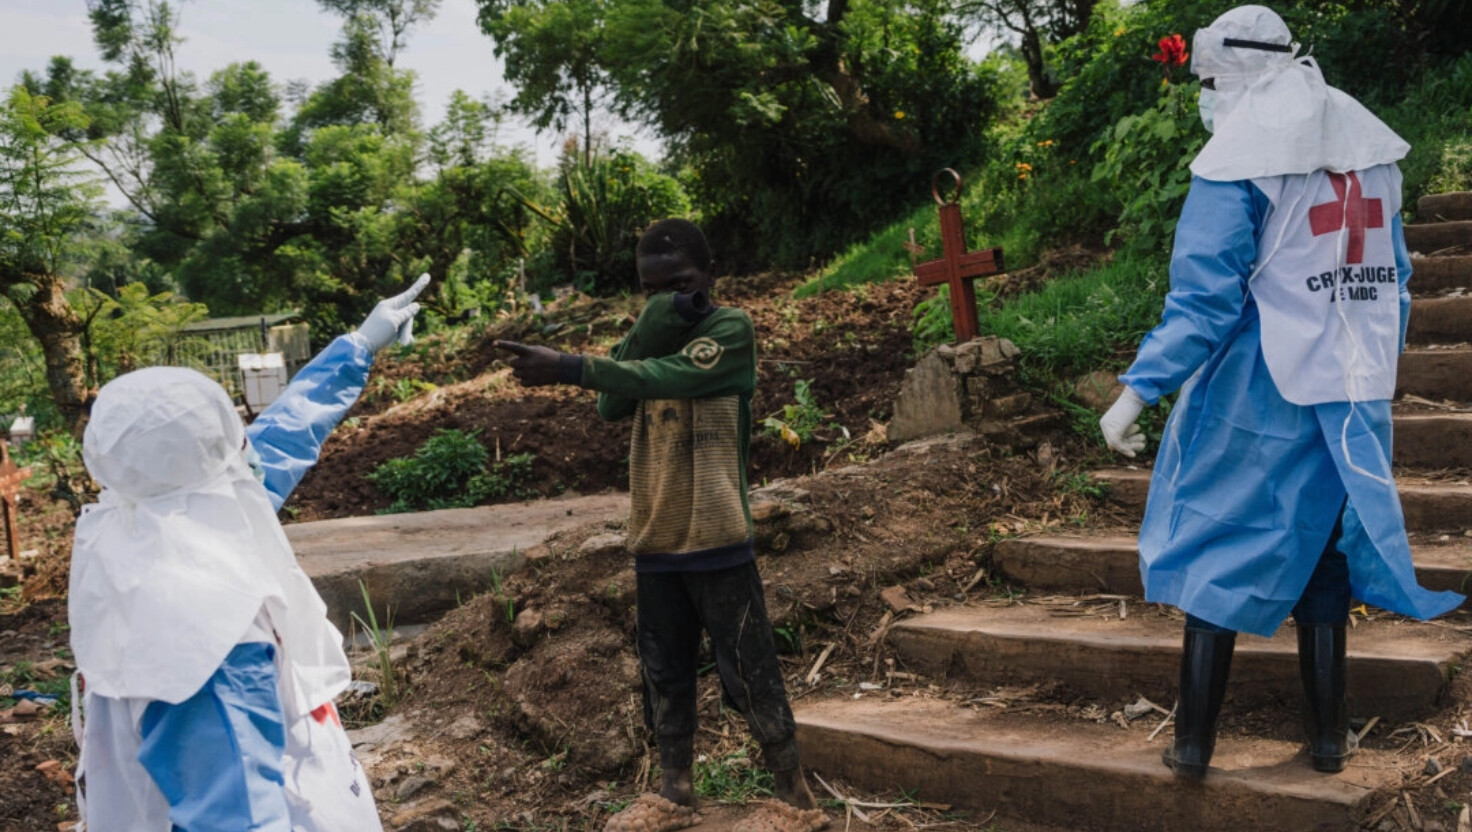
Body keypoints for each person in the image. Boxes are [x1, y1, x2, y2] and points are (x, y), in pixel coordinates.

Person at [1098, 5, 1464, 781]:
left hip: (1254, 395)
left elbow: (1203, 304)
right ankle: (1328, 743)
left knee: (1214, 543)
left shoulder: (1236, 164)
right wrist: (1370, 370)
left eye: (1206, 82)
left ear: (1233, 75)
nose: (1202, 97)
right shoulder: (1369, 149)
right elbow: (1394, 281)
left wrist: (1136, 392)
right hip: (1350, 391)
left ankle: (1194, 745)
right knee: (1323, 554)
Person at [495, 220, 827, 832]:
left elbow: (662, 379)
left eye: (680, 284)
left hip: (718, 535)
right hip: (657, 538)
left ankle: (794, 796)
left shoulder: (729, 330)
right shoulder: (653, 331)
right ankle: (675, 791)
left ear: (710, 276)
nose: (669, 297)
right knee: (665, 672)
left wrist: (571, 363)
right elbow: (611, 404)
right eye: (652, 289)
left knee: (749, 669)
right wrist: (651, 322)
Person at [69, 275, 429, 830]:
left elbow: (278, 441)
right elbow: (236, 815)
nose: (247, 447)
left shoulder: (138, 528)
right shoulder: (209, 633)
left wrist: (357, 346)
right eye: (234, 436)